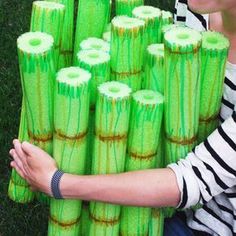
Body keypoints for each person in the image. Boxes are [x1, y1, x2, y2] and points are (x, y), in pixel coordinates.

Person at [9, 0, 236, 235]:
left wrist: (58, 183)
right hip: (164, 194)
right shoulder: (195, 9)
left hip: (212, 222)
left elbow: (190, 180)